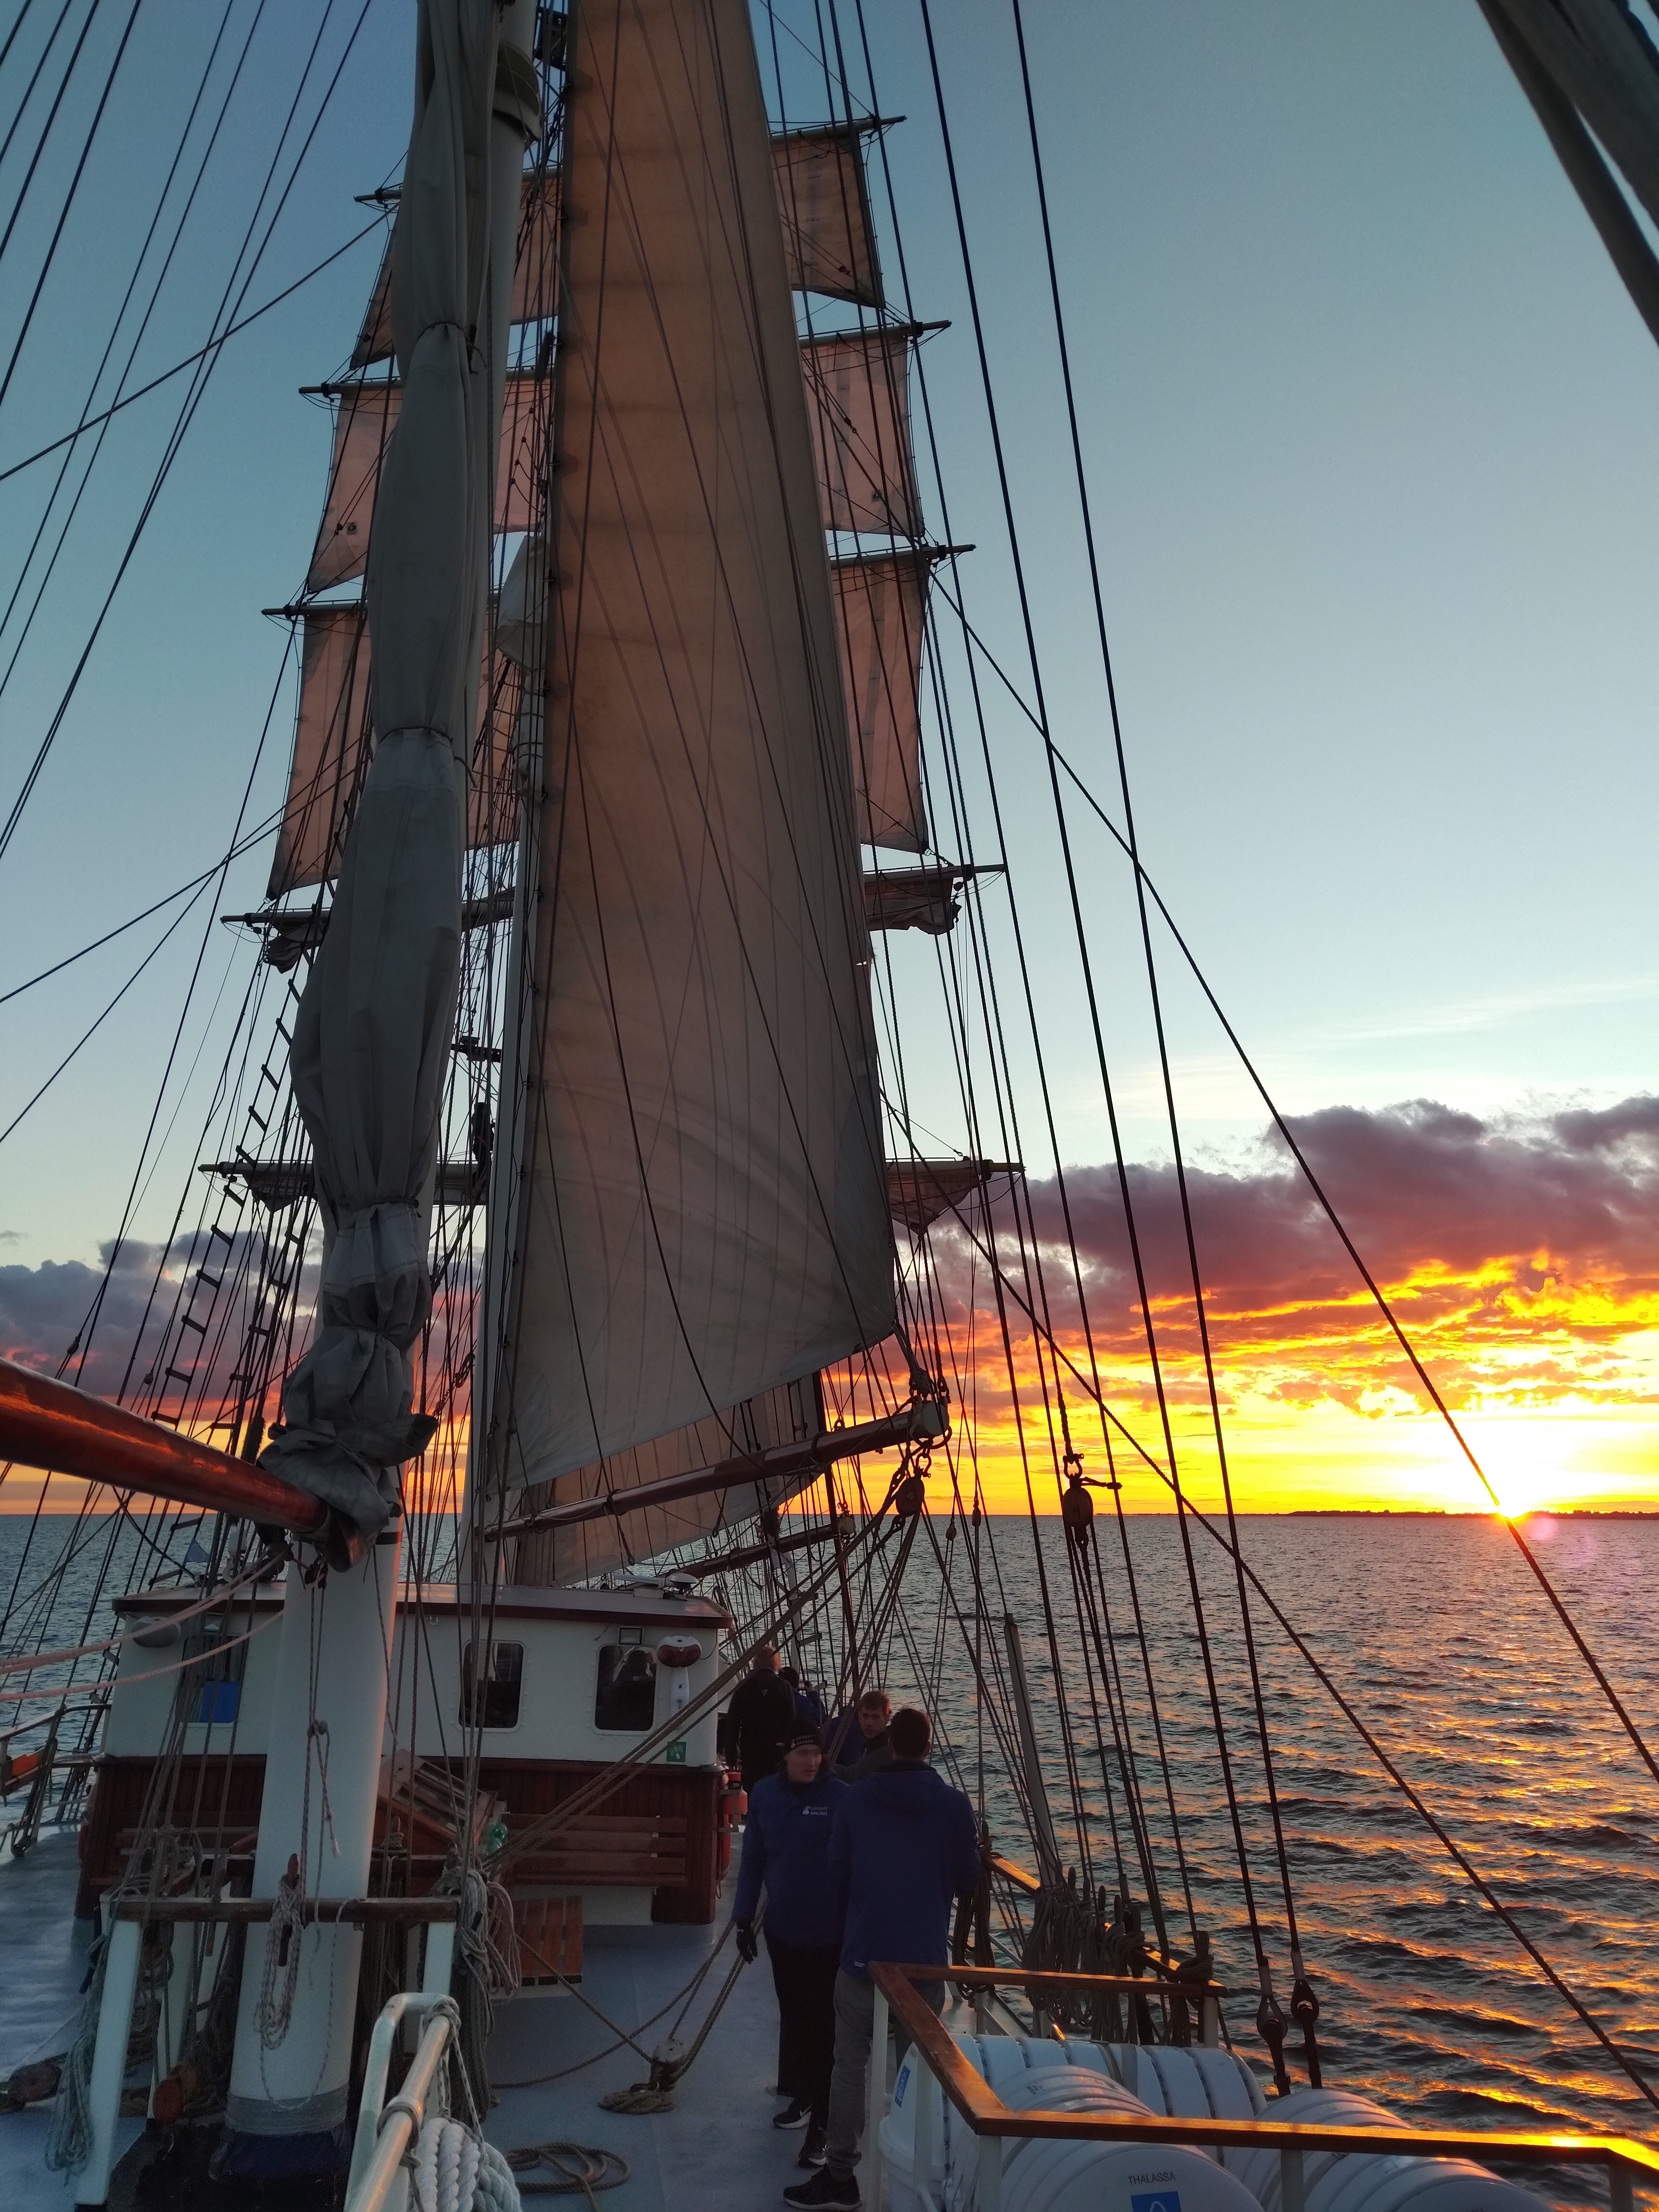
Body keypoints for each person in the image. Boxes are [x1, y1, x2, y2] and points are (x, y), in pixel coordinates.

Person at [783, 1707, 980, 2212]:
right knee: (918, 2069)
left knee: (849, 2066)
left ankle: (841, 2175)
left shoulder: (855, 1803)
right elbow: (969, 1881)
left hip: (864, 1957)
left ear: (891, 1747)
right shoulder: (956, 1808)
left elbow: (838, 1871)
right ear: (929, 1748)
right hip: (924, 1963)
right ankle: (921, 2173)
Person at [733, 1728, 847, 2169]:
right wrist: (743, 1917)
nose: (812, 1762)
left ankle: (823, 2121)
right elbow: (754, 1859)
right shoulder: (765, 1796)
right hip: (782, 1931)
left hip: (829, 1934)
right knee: (795, 2018)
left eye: (817, 1753)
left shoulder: (840, 1798)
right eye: (804, 1753)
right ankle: (803, 2097)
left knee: (824, 2026)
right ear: (786, 1755)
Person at [719, 1643, 798, 1794]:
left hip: (751, 1752)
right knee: (777, 1792)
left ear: (755, 1662)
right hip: (777, 1752)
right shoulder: (784, 1687)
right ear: (775, 1663)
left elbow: (733, 1724)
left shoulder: (744, 1687)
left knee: (753, 1792)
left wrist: (731, 1756)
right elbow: (791, 1722)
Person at [828, 1688, 891, 1783]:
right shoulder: (871, 1744)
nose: (869, 1723)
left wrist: (820, 1762)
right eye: (865, 1716)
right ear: (859, 1717)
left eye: (876, 1717)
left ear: (886, 1719)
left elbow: (853, 1776)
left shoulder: (886, 1751)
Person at [781, 1665, 826, 1734]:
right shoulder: (801, 1702)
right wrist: (812, 1693)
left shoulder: (769, 1698)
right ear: (797, 1684)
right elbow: (822, 1718)